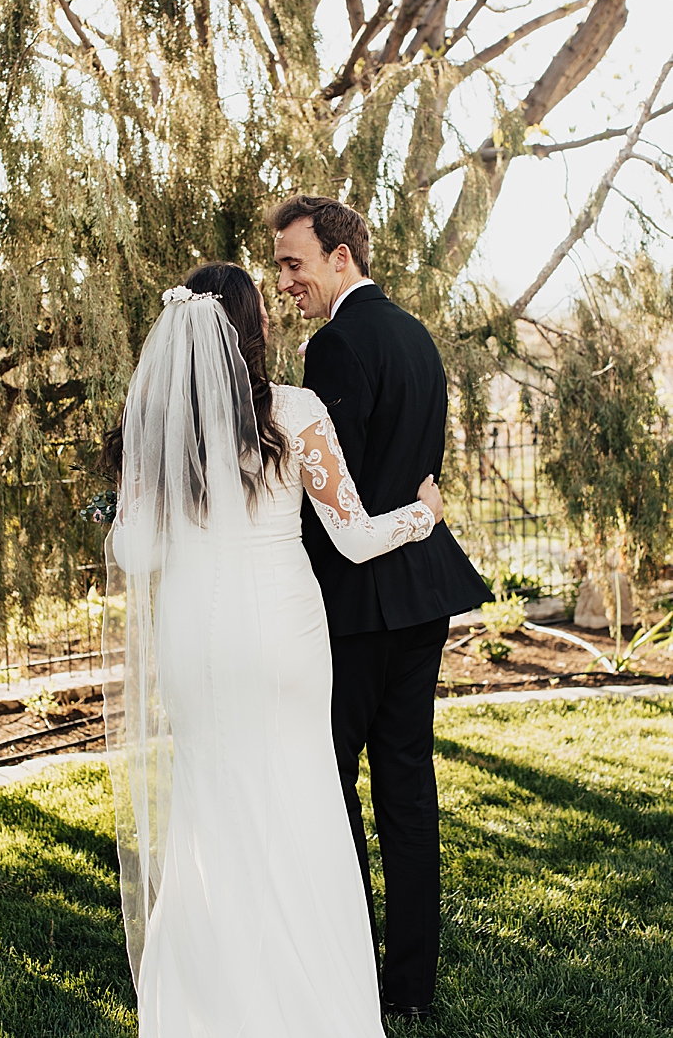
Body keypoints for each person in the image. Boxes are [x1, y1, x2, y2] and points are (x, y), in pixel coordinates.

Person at [105, 262, 444, 1037]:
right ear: (251, 328)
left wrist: (133, 484)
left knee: (209, 815)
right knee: (298, 802)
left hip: (195, 639)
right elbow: (355, 539)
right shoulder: (294, 410)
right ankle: (311, 1004)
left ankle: (211, 1007)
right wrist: (422, 514)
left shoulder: (159, 419)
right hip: (284, 634)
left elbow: (135, 554)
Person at [271, 196, 491, 1020]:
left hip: (354, 603)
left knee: (330, 789)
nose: (285, 280)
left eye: (295, 262)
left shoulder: (334, 346)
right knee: (407, 782)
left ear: (341, 258)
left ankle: (348, 972)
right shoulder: (418, 335)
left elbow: (340, 503)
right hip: (422, 592)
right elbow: (413, 470)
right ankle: (410, 990)